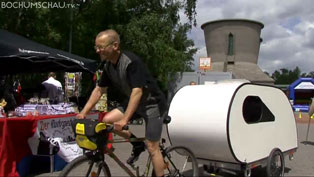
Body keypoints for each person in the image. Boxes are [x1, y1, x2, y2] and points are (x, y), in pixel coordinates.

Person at [76, 29, 167, 177]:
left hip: (152, 105)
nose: (98, 51)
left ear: (115, 46)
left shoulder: (131, 62)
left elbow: (137, 91)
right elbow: (99, 90)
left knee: (152, 147)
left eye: (101, 47)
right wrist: (83, 113)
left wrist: (124, 120)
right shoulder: (107, 65)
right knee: (106, 121)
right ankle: (136, 143)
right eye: (96, 47)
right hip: (133, 102)